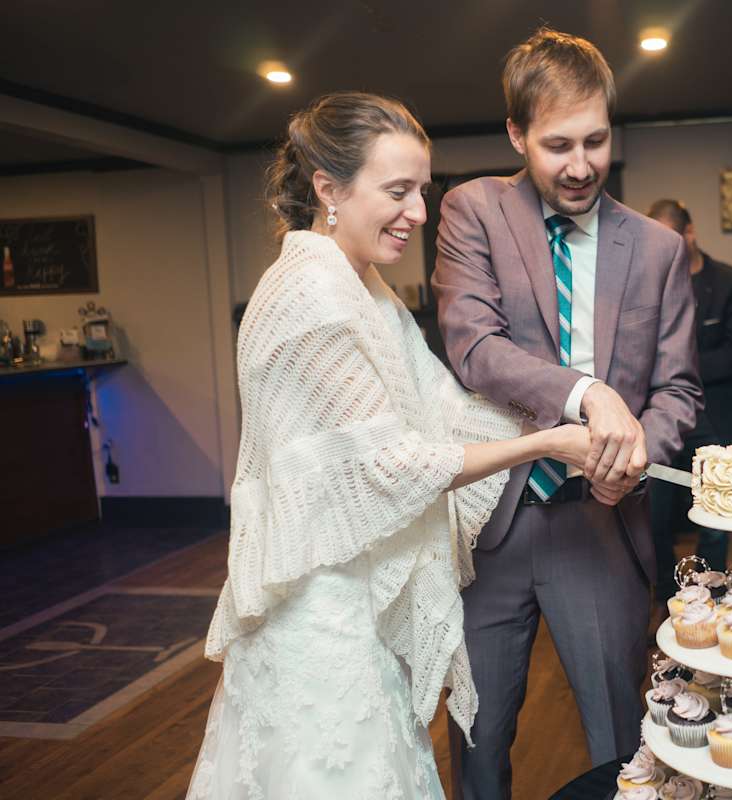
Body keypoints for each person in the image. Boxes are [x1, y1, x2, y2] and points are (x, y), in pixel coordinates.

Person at [185, 92, 591, 800]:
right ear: (329, 189)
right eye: (398, 191)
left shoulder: (361, 286)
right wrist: (547, 442)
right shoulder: (308, 295)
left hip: (357, 596)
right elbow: (394, 465)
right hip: (320, 611)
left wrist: (559, 409)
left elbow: (445, 410)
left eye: (422, 192)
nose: (419, 213)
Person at [433, 28, 703, 800]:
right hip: (492, 523)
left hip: (600, 524)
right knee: (478, 739)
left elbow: (679, 391)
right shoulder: (472, 211)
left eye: (596, 141)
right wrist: (589, 393)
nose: (581, 166)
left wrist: (634, 455)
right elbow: (474, 346)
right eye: (557, 145)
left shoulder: (657, 249)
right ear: (516, 134)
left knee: (623, 748)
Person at [646, 199, 732, 615]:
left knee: (715, 513)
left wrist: (676, 368)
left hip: (716, 411)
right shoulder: (646, 286)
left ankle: (709, 595)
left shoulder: (731, 282)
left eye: (669, 240)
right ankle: (666, 597)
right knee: (654, 512)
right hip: (661, 415)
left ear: (689, 234)